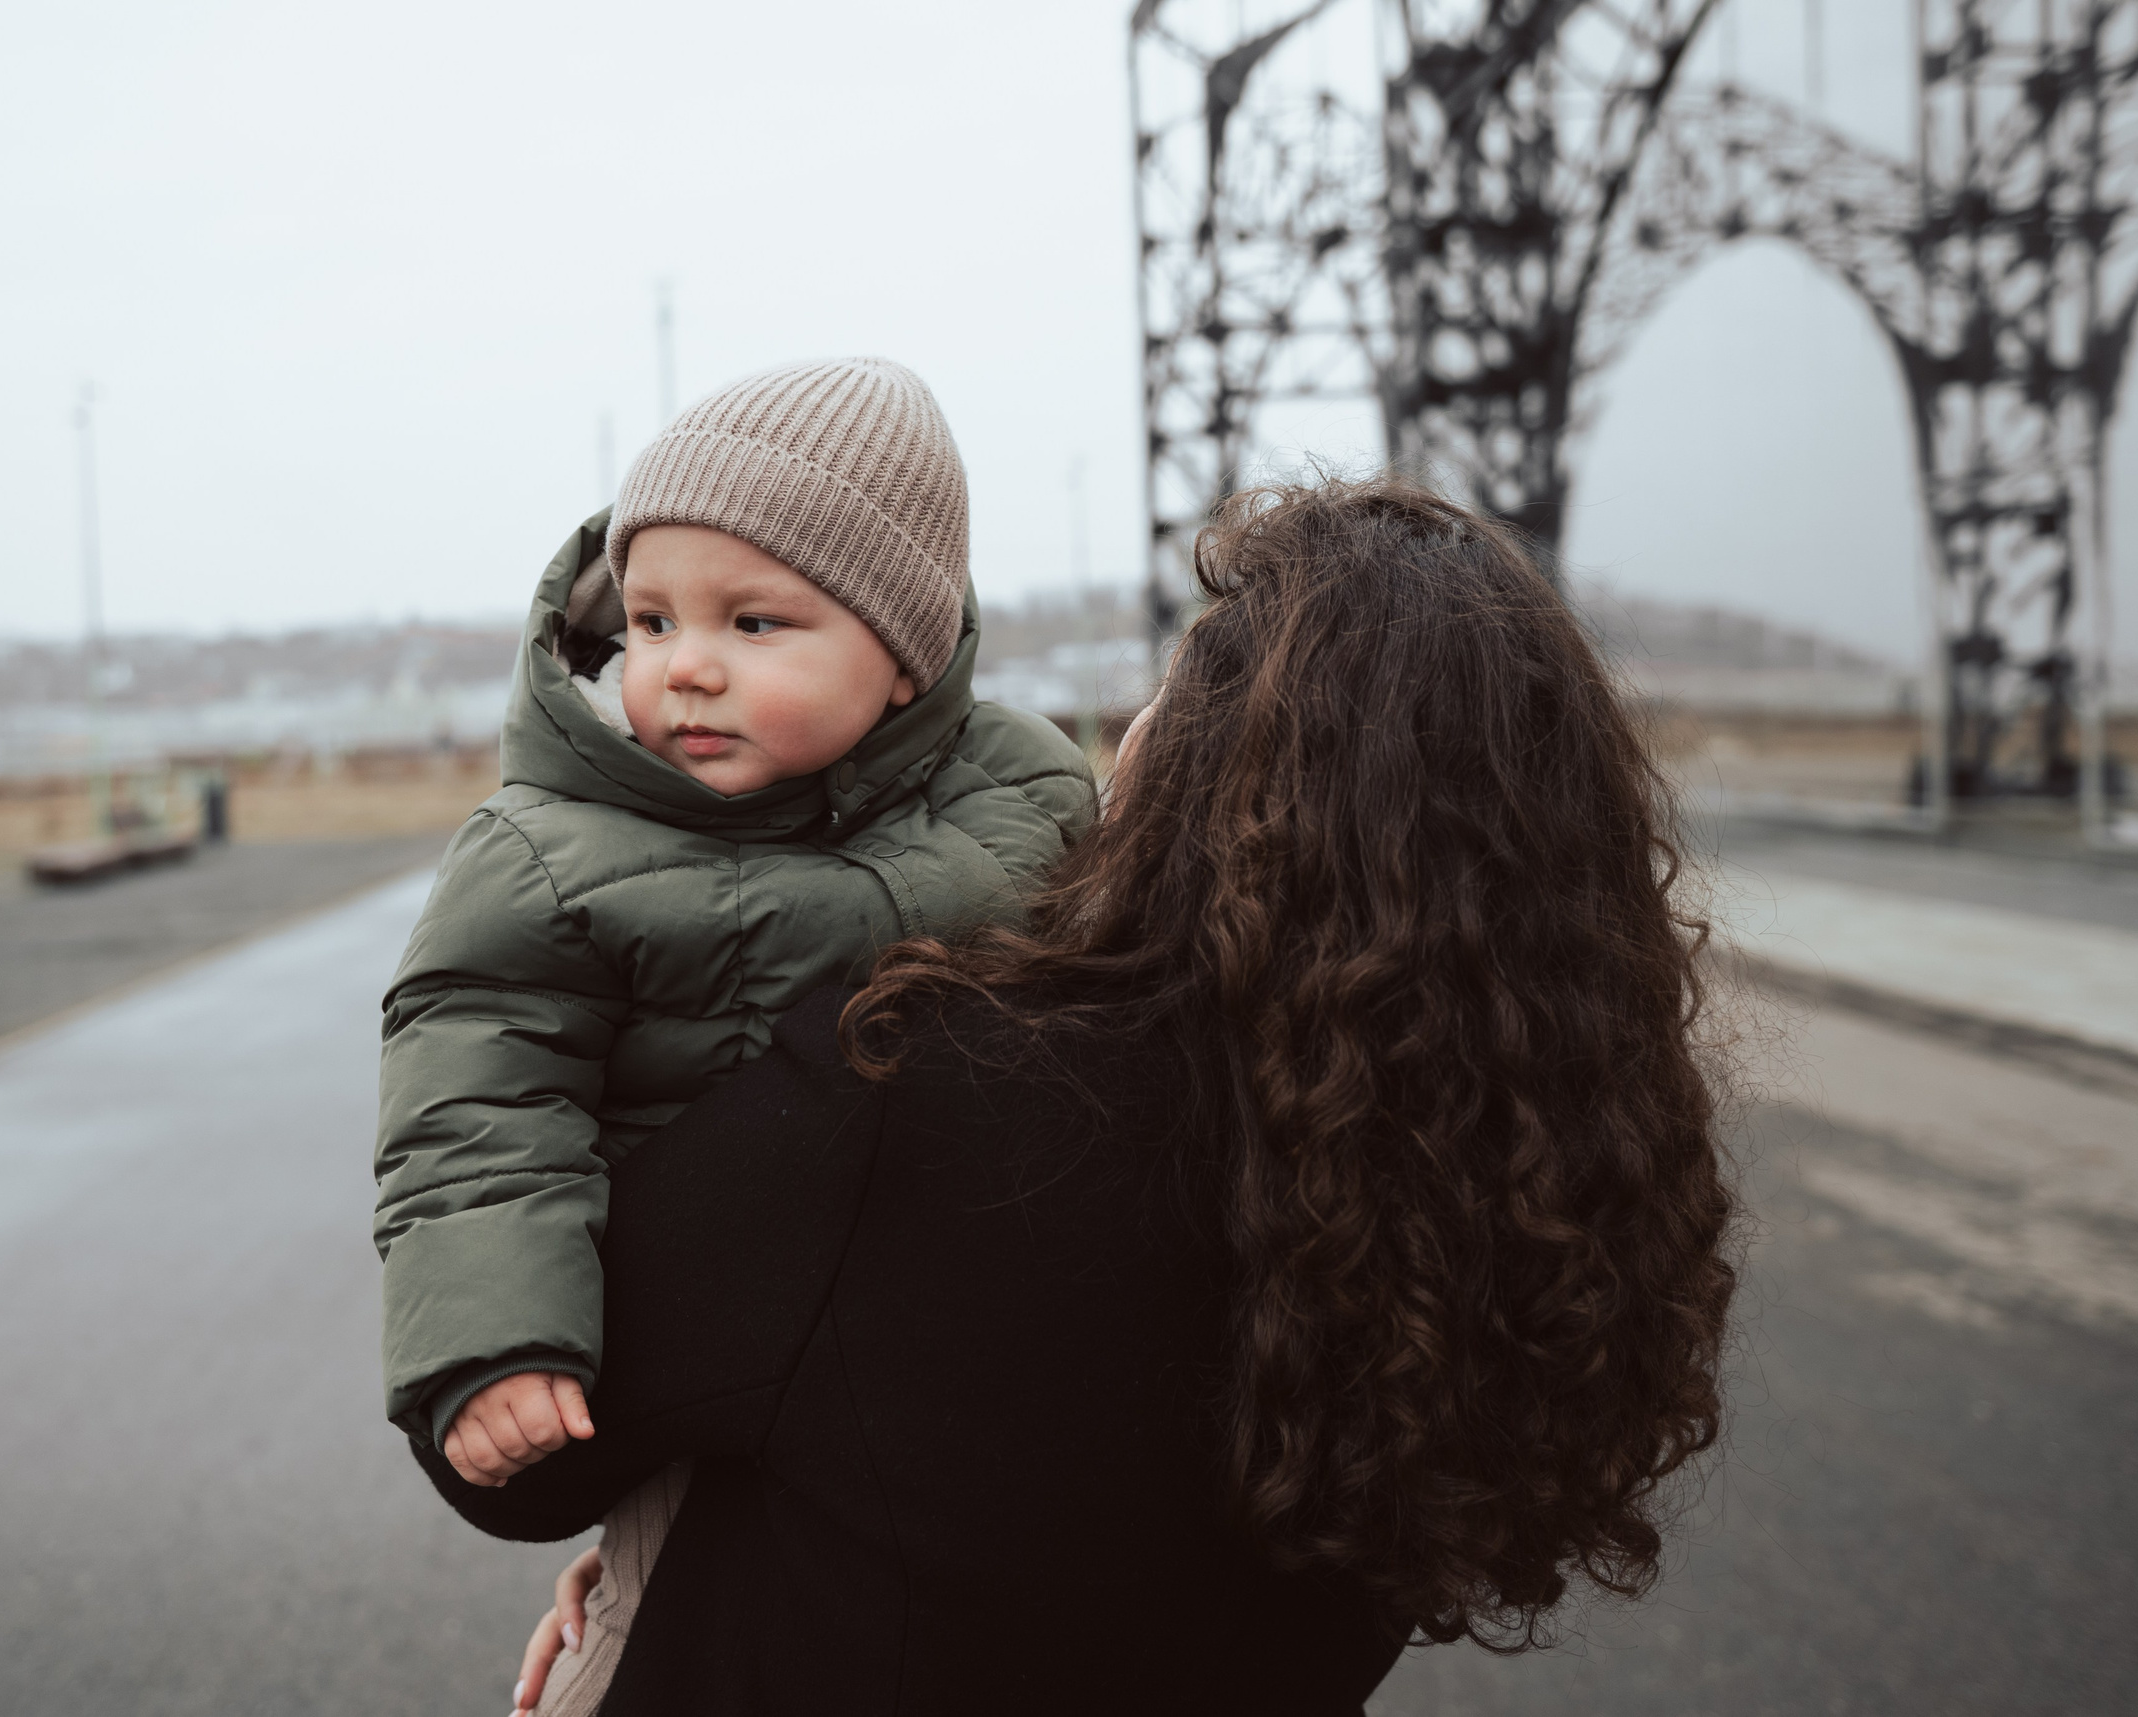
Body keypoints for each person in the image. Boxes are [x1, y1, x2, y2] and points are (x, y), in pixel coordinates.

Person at [423, 475, 1741, 1717]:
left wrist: (662, 1566)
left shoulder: (920, 1085)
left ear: (1209, 773)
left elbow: (520, 1453)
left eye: (1169, 692)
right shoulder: (1514, 1201)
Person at [373, 358, 1098, 1708]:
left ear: (907, 659)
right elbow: (476, 1100)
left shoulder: (1025, 801)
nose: (683, 665)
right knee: (644, 1648)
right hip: (686, 1387)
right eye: (647, 619)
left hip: (949, 1386)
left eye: (755, 624)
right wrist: (497, 1340)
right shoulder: (553, 851)